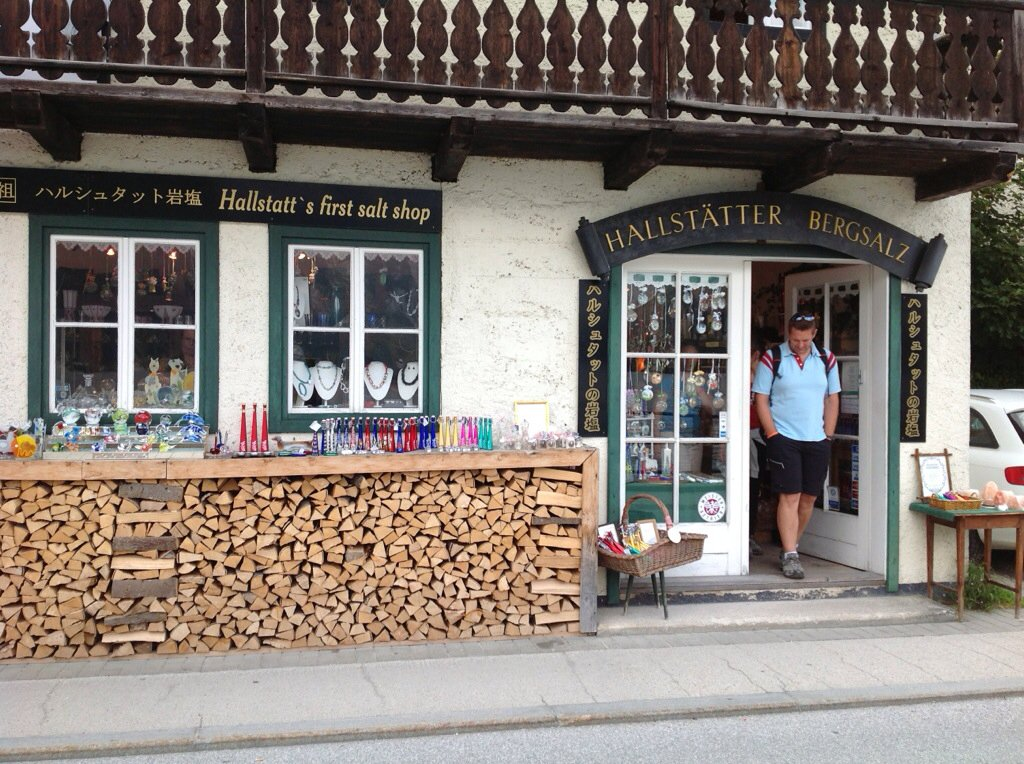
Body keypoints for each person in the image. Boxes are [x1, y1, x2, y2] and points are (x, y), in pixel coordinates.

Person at [752, 313, 840, 579]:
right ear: (788, 334)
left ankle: (790, 545)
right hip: (784, 438)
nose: (800, 345)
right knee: (789, 496)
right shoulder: (773, 358)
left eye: (805, 339)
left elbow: (832, 398)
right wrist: (772, 434)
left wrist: (828, 435)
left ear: (814, 334)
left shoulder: (826, 358)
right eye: (794, 340)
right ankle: (791, 554)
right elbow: (760, 398)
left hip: (817, 438)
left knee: (809, 497)